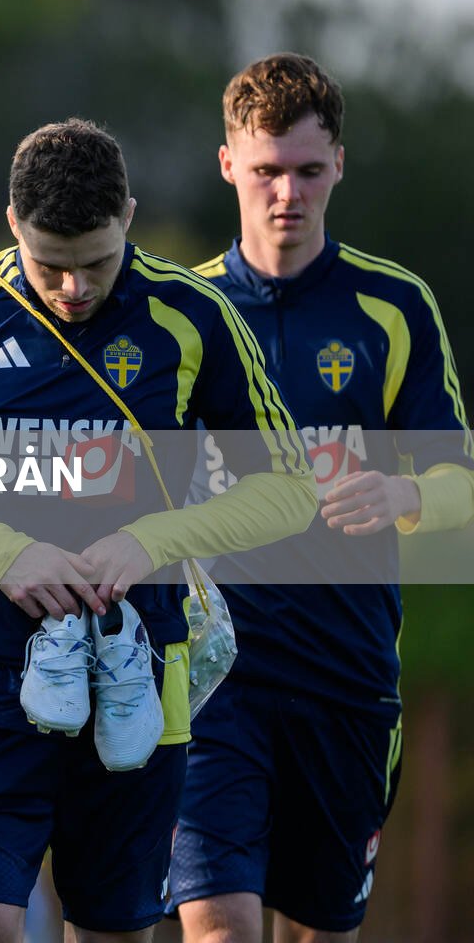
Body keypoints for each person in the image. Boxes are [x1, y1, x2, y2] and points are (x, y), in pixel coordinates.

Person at [0, 119, 315, 943]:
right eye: (49, 265)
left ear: (129, 216)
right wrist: (5, 555)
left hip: (136, 678)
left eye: (95, 263)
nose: (72, 289)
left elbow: (288, 490)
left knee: (112, 930)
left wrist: (154, 541)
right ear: (11, 225)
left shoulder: (193, 316)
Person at [171, 55, 474, 943]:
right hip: (215, 677)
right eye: (265, 171)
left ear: (339, 162)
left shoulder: (394, 308)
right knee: (218, 923)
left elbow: (462, 483)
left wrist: (404, 491)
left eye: (307, 170)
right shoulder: (179, 313)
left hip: (346, 679)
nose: (286, 194)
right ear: (228, 164)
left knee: (318, 934)